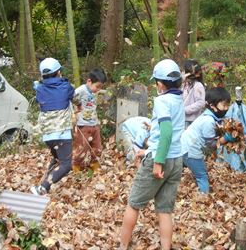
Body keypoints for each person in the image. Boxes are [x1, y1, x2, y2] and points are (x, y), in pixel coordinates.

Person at [119, 59, 185, 250]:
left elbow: (166, 133)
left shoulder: (162, 100)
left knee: (133, 204)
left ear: (161, 84)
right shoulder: (179, 99)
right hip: (176, 160)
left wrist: (157, 161)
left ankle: (122, 246)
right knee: (165, 210)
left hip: (161, 159)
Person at [30, 57, 74, 195]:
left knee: (57, 159)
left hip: (47, 135)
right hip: (62, 134)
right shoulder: (66, 87)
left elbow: (40, 89)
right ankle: (43, 187)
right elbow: (75, 98)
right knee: (66, 165)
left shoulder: (39, 89)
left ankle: (43, 184)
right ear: (59, 72)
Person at [181, 86, 234, 193]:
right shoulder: (208, 121)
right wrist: (226, 138)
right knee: (202, 175)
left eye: (228, 105)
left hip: (185, 147)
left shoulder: (211, 117)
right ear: (212, 106)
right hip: (190, 150)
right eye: (224, 105)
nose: (226, 108)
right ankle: (203, 198)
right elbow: (211, 145)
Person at [72, 68, 107, 173]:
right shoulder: (81, 90)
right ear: (89, 81)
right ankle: (76, 167)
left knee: (97, 147)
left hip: (94, 124)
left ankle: (94, 166)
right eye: (97, 86)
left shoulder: (95, 93)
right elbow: (70, 97)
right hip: (83, 124)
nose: (98, 89)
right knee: (82, 148)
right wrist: (75, 112)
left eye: (101, 87)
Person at [182, 59, 206, 128]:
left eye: (184, 71)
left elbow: (200, 103)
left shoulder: (198, 85)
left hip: (192, 120)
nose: (183, 73)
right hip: (182, 119)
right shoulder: (184, 85)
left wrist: (184, 110)